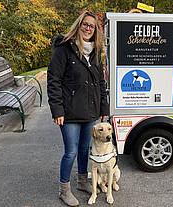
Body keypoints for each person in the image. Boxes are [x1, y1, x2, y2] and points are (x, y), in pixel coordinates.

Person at [47, 11, 109, 207]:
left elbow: (100, 82)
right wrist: (57, 110)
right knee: (71, 152)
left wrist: (103, 107)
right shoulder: (64, 49)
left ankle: (83, 181)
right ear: (78, 25)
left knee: (84, 150)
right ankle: (64, 190)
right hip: (70, 112)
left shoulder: (96, 51)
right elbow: (54, 80)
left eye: (92, 26)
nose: (88, 28)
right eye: (85, 24)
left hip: (91, 111)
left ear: (95, 30)